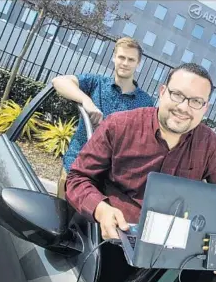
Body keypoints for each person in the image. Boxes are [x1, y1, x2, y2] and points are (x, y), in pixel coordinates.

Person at [66, 63, 216, 282]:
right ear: (162, 92)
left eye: (196, 101)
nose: (184, 108)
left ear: (205, 108)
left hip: (169, 261)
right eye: (177, 95)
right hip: (109, 245)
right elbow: (77, 178)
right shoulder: (119, 126)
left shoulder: (208, 144)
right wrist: (101, 209)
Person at [51, 37, 153, 199]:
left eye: (131, 59)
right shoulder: (96, 83)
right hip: (74, 168)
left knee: (89, 225)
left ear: (138, 64)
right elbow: (59, 81)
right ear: (114, 57)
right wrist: (86, 100)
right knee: (59, 219)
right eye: (121, 57)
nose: (125, 63)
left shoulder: (146, 103)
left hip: (108, 183)